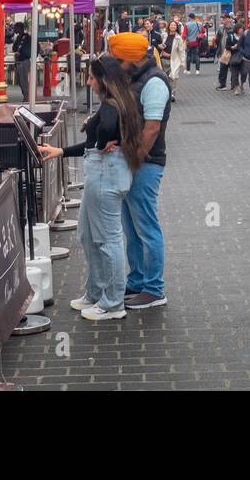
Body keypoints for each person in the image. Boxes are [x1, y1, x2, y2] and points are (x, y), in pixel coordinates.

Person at [39, 55, 146, 321]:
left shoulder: (111, 105)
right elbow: (102, 136)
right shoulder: (120, 101)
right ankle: (97, 291)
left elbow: (105, 131)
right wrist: (62, 150)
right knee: (88, 234)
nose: (88, 82)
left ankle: (112, 303)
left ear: (103, 80)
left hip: (105, 174)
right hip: (104, 172)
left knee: (107, 239)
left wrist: (102, 143)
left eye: (90, 77)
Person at [107, 32, 172, 310]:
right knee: (131, 226)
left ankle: (155, 288)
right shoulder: (137, 78)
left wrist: (136, 159)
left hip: (145, 163)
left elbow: (152, 127)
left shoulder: (154, 82)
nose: (117, 65)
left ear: (131, 59)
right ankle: (137, 280)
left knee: (145, 226)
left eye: (119, 60)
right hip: (135, 160)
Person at [215, 14, 236, 91]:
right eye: (222, 19)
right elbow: (218, 39)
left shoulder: (234, 27)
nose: (223, 20)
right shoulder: (221, 28)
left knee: (233, 69)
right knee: (222, 69)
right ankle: (222, 84)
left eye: (224, 19)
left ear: (229, 19)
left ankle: (233, 84)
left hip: (232, 51)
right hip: (224, 51)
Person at [13, 21, 33, 103]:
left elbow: (28, 50)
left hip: (24, 61)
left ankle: (27, 97)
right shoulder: (18, 38)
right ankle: (25, 95)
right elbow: (14, 48)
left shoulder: (27, 37)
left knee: (24, 80)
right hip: (19, 61)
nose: (14, 29)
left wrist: (21, 52)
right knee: (20, 81)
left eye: (16, 28)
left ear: (20, 28)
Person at [166, 19, 184, 101]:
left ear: (176, 27)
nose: (173, 26)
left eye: (174, 25)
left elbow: (181, 50)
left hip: (174, 60)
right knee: (165, 78)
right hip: (164, 60)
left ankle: (172, 94)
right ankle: (166, 93)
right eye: (171, 25)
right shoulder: (164, 35)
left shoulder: (178, 38)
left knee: (173, 77)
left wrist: (183, 62)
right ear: (168, 26)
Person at [225, 22, 244, 95]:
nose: (241, 30)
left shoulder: (244, 37)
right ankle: (236, 88)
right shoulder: (231, 37)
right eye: (240, 29)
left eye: (242, 28)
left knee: (244, 73)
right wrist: (233, 47)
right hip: (234, 57)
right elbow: (227, 47)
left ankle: (242, 85)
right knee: (234, 74)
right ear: (236, 29)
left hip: (243, 57)